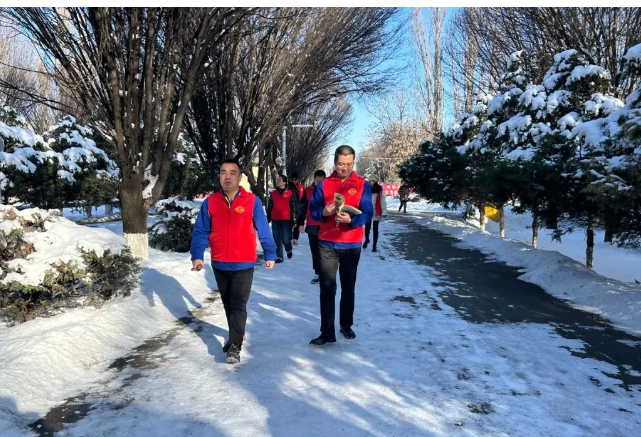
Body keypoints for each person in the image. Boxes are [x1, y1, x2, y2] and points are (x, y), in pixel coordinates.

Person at [190, 158, 277, 364]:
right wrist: (197, 256)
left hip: (244, 263)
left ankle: (235, 345)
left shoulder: (252, 201)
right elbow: (201, 231)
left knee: (238, 304)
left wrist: (270, 253)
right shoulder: (210, 202)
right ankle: (236, 334)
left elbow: (263, 229)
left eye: (232, 172)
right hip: (219, 262)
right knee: (228, 303)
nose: (227, 176)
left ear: (240, 177)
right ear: (219, 176)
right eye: (223, 172)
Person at [309, 145, 373, 346]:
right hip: (327, 243)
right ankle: (327, 332)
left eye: (348, 164)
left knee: (348, 287)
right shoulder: (324, 184)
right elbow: (312, 211)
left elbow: (368, 212)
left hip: (351, 244)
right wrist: (324, 213)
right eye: (340, 164)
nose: (344, 168)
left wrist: (352, 220)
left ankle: (346, 324)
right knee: (327, 289)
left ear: (353, 163)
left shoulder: (362, 184)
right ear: (334, 162)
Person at [297, 169, 326, 284]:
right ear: (314, 179)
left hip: (325, 225)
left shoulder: (329, 189)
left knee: (325, 251)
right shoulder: (308, 190)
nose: (319, 183)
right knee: (315, 251)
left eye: (322, 181)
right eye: (318, 181)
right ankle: (318, 273)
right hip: (312, 224)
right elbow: (302, 208)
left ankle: (326, 272)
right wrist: (300, 223)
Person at [267, 174, 298, 263]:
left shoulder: (290, 193)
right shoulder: (273, 193)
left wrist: (294, 219)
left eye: (279, 180)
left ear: (284, 182)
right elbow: (270, 206)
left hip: (286, 219)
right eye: (277, 180)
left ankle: (288, 249)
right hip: (275, 219)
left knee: (286, 239)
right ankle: (279, 256)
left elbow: (293, 207)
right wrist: (268, 218)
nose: (277, 181)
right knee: (277, 238)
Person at [363, 179, 387, 252]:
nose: (371, 182)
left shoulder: (379, 190)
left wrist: (384, 211)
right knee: (367, 227)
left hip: (376, 210)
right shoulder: (366, 189)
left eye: (373, 181)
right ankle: (367, 239)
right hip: (368, 210)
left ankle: (374, 245)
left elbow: (383, 201)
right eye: (370, 181)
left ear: (375, 182)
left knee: (375, 228)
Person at [290, 173, 304, 245]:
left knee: (297, 223)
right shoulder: (288, 187)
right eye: (292, 179)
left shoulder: (300, 187)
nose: (294, 181)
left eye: (295, 179)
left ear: (297, 180)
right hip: (290, 207)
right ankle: (288, 237)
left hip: (298, 207)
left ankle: (295, 238)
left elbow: (302, 198)